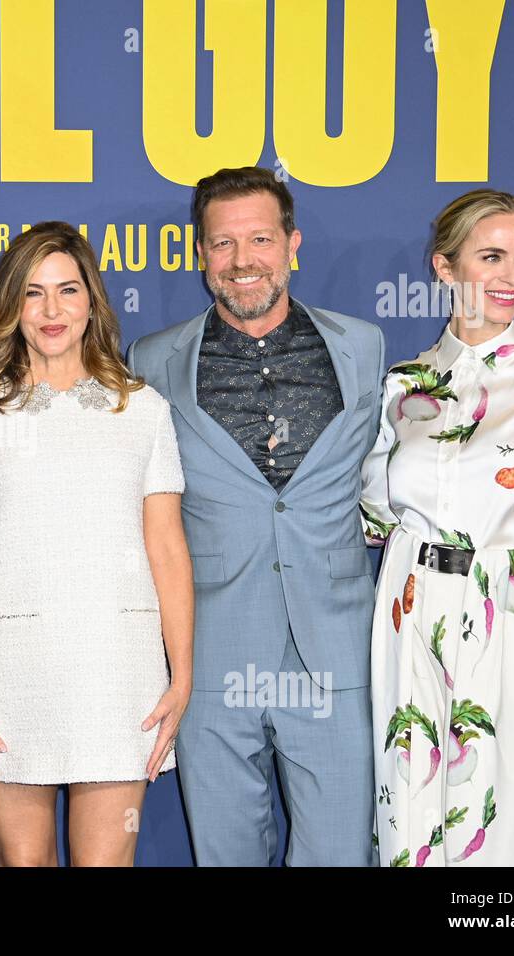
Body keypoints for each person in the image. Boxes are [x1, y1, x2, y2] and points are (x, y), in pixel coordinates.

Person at [127, 167, 384, 866]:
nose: (243, 262)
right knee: (225, 854)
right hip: (209, 651)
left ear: (293, 244)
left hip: (334, 649)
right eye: (223, 244)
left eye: (261, 240)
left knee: (339, 854)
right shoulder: (152, 362)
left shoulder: (363, 348)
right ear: (200, 254)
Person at [0, 221, 194, 867]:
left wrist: (181, 677)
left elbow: (167, 548)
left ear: (92, 302)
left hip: (119, 672)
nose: (52, 311)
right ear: (11, 306)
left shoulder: (144, 410)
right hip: (9, 674)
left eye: (68, 291)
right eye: (33, 293)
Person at [361, 190, 514, 867]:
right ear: (444, 267)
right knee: (412, 802)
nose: (511, 276)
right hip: (411, 612)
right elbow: (374, 511)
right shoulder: (404, 385)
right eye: (490, 256)